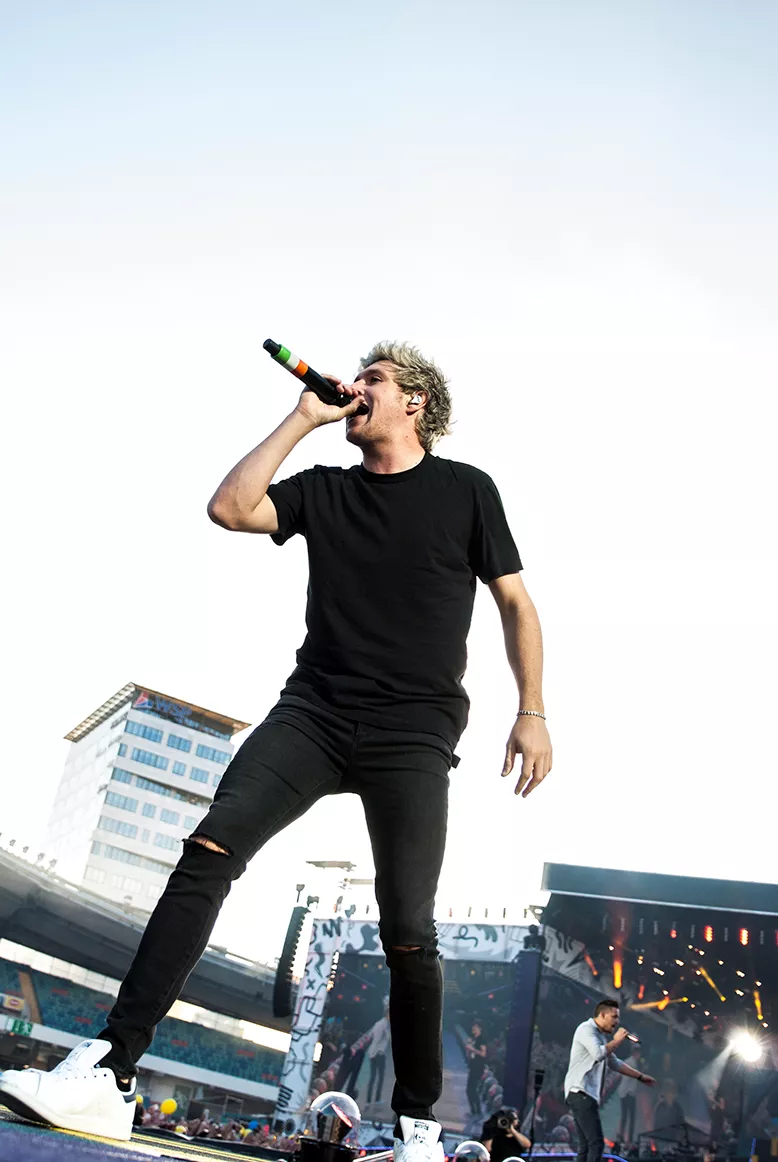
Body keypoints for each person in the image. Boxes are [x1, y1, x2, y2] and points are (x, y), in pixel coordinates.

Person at [0, 341, 553, 1162]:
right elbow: (230, 508)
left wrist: (532, 710)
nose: (355, 386)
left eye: (374, 380)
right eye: (356, 377)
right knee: (208, 850)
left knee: (408, 928)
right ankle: (111, 1071)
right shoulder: (325, 489)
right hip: (313, 714)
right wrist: (302, 418)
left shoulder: (467, 490)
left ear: (416, 404)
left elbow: (516, 602)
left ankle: (418, 1132)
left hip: (414, 731)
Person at [564, 1000, 656, 1162]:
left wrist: (640, 1077)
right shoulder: (586, 1029)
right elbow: (598, 1054)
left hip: (584, 1094)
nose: (617, 1021)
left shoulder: (600, 1036)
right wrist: (618, 1040)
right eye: (614, 1017)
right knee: (596, 1143)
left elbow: (615, 1063)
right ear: (602, 1015)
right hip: (581, 1092)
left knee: (586, 1145)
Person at [465, 1020, 488, 1116]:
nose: (473, 1029)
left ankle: (477, 1111)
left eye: (475, 1027)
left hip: (478, 1068)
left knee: (473, 1090)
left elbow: (483, 1054)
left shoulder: (481, 1039)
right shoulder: (473, 1039)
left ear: (480, 1029)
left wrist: (473, 1049)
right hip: (473, 1066)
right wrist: (468, 1049)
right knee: (469, 1090)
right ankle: (473, 1111)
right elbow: (469, 1055)